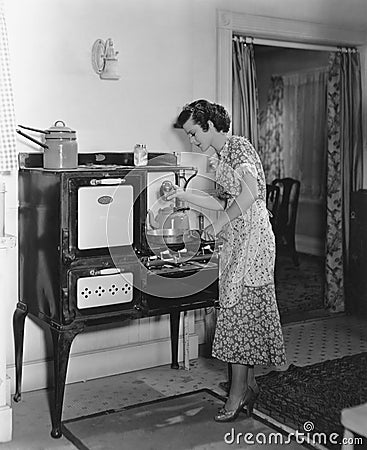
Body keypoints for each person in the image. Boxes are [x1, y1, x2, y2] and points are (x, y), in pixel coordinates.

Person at [169, 99, 286, 422]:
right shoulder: (222, 157)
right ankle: (247, 386)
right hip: (240, 239)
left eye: (194, 133)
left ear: (209, 124)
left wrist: (220, 223)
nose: (192, 141)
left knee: (240, 314)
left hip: (253, 242)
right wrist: (180, 195)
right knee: (238, 312)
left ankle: (237, 394)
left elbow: (250, 194)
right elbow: (220, 201)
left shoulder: (239, 149)